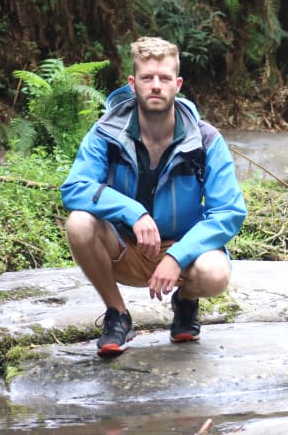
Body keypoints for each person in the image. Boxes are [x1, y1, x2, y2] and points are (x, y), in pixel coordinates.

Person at [60, 37, 246, 357]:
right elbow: (74, 187)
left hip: (182, 250)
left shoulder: (205, 139)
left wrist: (177, 256)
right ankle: (117, 314)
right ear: (133, 84)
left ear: (178, 84)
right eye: (147, 78)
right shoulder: (106, 132)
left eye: (164, 78)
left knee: (217, 275)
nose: (155, 86)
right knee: (78, 223)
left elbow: (229, 211)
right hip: (124, 247)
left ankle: (185, 302)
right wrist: (133, 212)